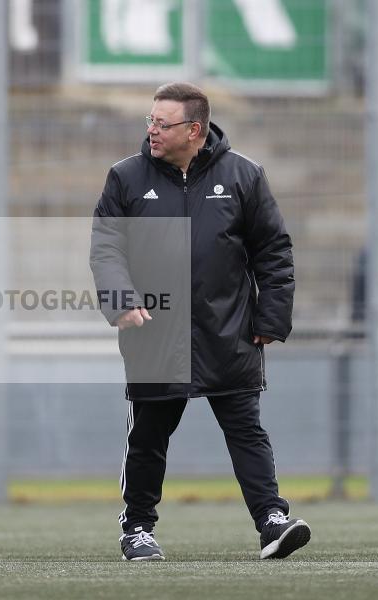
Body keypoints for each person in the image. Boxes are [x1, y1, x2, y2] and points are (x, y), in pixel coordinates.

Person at [90, 83, 310, 561]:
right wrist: (120, 300)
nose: (150, 129)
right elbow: (106, 249)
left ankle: (272, 520)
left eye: (161, 123)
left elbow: (273, 251)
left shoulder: (244, 176)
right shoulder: (125, 178)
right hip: (154, 334)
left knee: (246, 430)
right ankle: (137, 529)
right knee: (147, 436)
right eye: (149, 120)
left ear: (194, 130)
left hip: (228, 332)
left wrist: (272, 315)